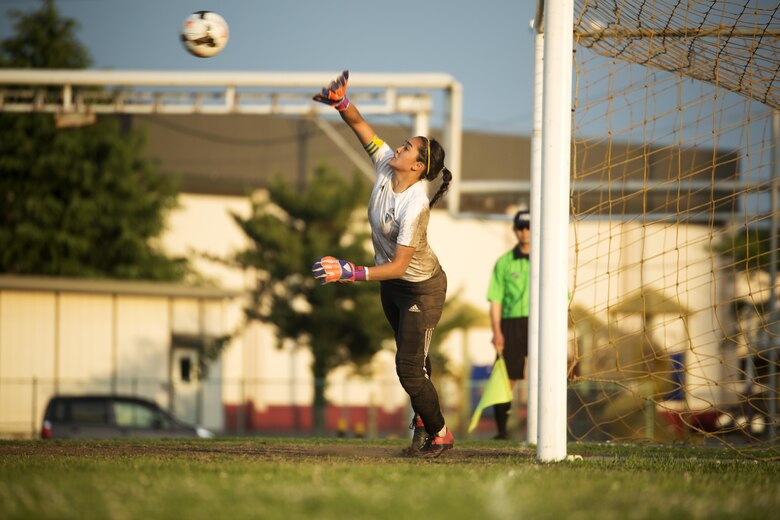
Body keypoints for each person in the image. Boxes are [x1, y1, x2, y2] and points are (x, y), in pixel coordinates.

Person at [310, 70, 454, 457]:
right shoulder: (385, 165)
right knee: (416, 364)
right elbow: (358, 124)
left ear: (418, 167)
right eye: (402, 145)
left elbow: (398, 265)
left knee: (408, 368)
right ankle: (425, 427)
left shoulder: (416, 205)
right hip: (393, 286)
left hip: (421, 287)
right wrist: (342, 102)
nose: (398, 150)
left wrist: (348, 272)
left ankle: (440, 432)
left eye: (407, 149)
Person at [486, 209, 531, 440]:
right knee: (504, 377)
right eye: (521, 228)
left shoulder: (549, 260)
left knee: (547, 375)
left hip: (538, 323)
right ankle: (502, 430)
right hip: (511, 324)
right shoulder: (504, 263)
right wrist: (497, 331)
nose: (525, 232)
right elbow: (495, 299)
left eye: (529, 227)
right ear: (515, 230)